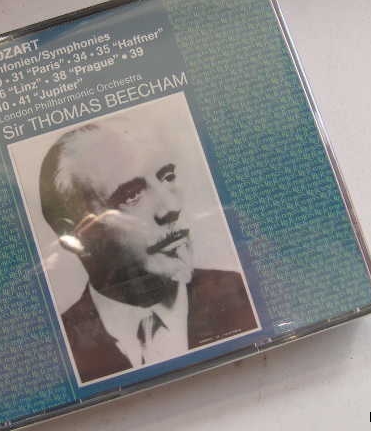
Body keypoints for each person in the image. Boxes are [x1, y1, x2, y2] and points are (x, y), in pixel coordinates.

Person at [39, 118, 257, 383]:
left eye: (167, 177)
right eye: (131, 195)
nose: (170, 207)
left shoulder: (245, 295)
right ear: (75, 233)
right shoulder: (54, 351)